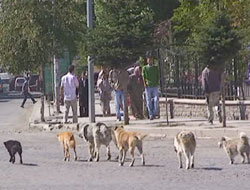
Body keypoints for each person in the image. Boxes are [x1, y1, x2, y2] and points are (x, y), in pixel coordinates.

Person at [142, 56, 159, 120]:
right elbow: (143, 77)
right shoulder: (145, 68)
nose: (150, 61)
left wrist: (157, 83)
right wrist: (144, 83)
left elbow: (157, 76)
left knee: (156, 99)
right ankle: (151, 114)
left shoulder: (155, 68)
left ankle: (155, 113)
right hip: (148, 86)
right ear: (147, 61)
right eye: (149, 60)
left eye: (151, 60)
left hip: (154, 86)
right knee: (148, 101)